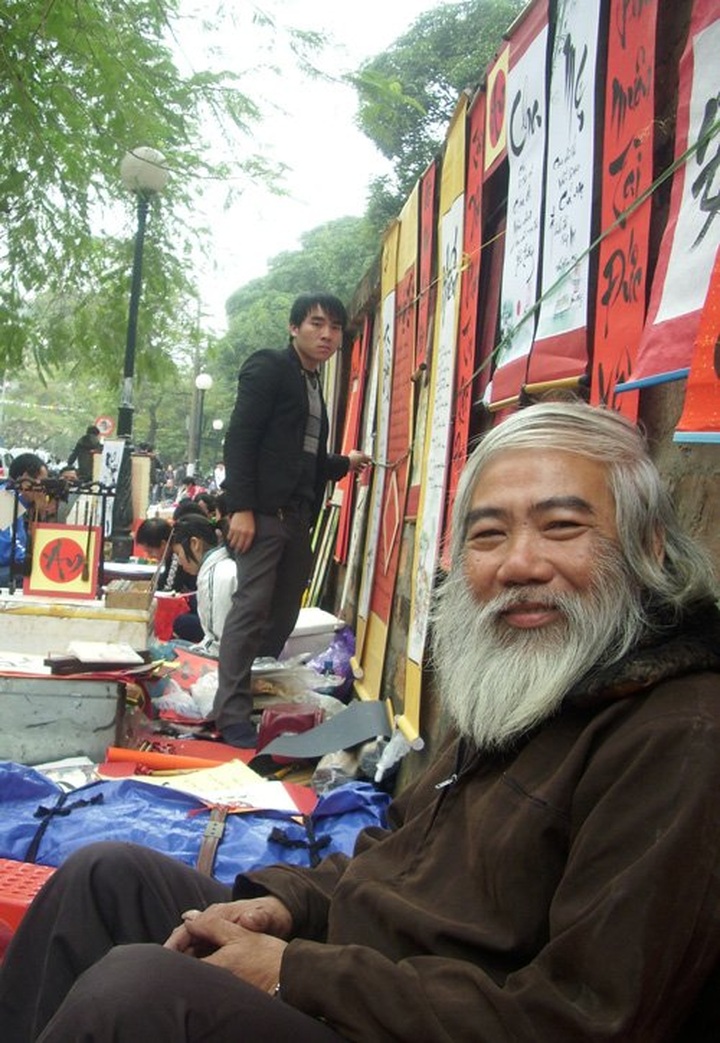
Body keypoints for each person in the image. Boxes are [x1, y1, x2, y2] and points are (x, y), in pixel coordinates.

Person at [2, 400, 720, 1043]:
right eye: (489, 534)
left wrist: (294, 972)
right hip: (368, 974)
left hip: (424, 1016)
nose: (519, 564)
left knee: (140, 993)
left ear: (648, 546)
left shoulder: (678, 734)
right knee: (108, 877)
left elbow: (582, 1017)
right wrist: (287, 905)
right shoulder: (536, 683)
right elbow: (395, 858)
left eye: (562, 527)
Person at [214, 292, 370, 747]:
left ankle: (254, 693)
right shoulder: (270, 367)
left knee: (282, 614)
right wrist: (241, 508)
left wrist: (344, 463)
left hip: (299, 517)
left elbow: (304, 459)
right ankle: (230, 715)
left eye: (335, 327)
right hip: (262, 515)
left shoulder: (313, 383)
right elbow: (240, 439)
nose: (327, 335)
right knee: (251, 609)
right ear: (294, 327)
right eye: (316, 324)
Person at [170, 513, 237, 655]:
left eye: (179, 553)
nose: (180, 562)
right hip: (228, 651)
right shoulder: (221, 566)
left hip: (225, 658)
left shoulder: (216, 576)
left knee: (171, 648)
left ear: (195, 544)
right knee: (174, 644)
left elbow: (217, 645)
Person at [0, 452, 49, 587]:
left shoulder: (21, 502)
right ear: (26, 480)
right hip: (4, 567)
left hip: (8, 566)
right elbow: (10, 549)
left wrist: (40, 513)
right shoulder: (6, 498)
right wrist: (39, 562)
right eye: (42, 482)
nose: (44, 488)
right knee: (34, 575)